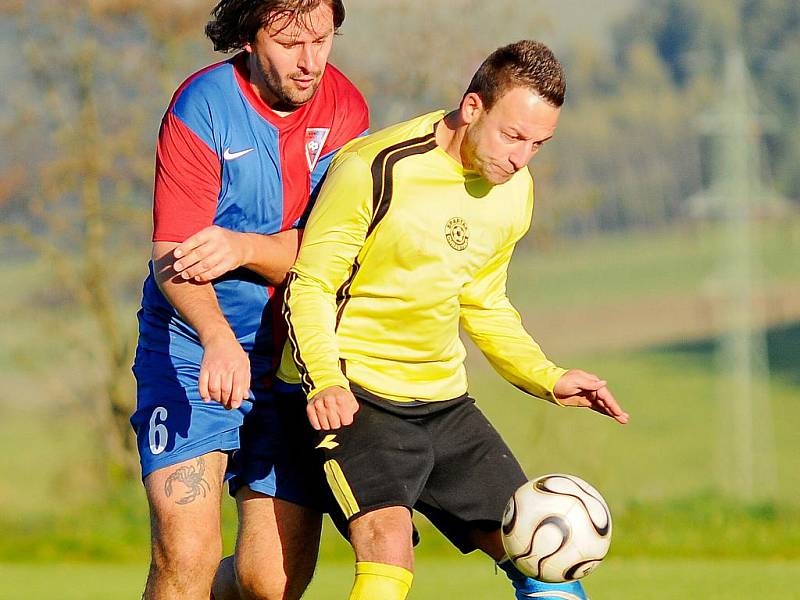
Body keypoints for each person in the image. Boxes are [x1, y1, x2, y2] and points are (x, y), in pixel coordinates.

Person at [283, 40, 629, 600]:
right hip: (358, 395)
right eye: (513, 136)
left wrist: (549, 376)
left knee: (544, 556)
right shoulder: (373, 168)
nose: (521, 158)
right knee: (388, 555)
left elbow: (484, 301)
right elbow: (311, 284)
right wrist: (325, 379)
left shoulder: (515, 190)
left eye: (538, 144)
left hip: (445, 402)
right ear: (473, 108)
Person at [129, 1, 368, 598]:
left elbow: (326, 256)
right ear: (249, 37)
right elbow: (172, 257)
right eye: (290, 44)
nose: (310, 60)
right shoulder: (201, 108)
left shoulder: (345, 110)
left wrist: (240, 247)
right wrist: (216, 338)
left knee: (270, 582)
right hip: (190, 346)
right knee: (189, 552)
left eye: (322, 39)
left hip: (291, 356)